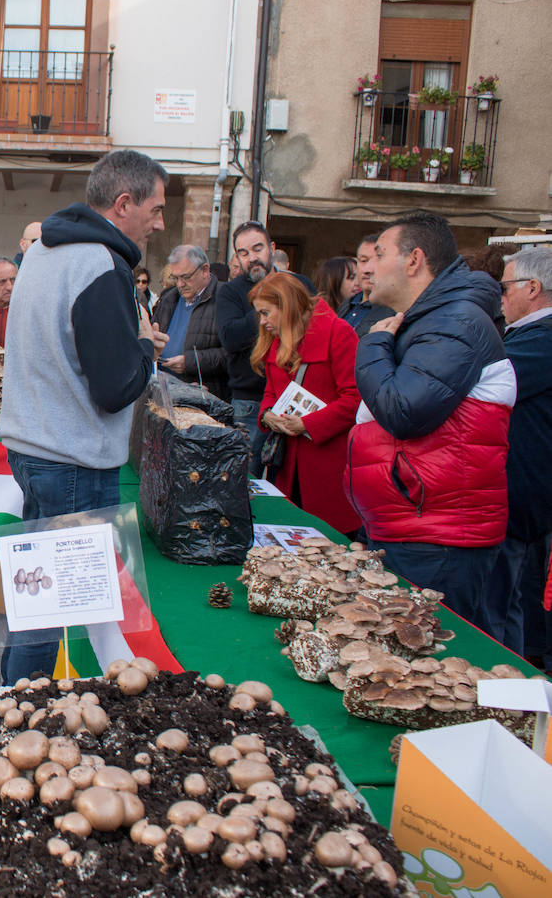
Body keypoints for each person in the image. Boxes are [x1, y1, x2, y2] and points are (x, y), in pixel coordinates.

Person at [0, 149, 169, 685]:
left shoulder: (45, 251)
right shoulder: (99, 263)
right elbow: (116, 387)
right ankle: (14, 711)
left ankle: (17, 705)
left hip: (38, 447)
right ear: (124, 203)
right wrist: (145, 347)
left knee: (44, 599)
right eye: (157, 209)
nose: (160, 223)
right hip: (72, 458)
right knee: (48, 611)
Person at [345, 212, 514, 637]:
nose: (367, 267)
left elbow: (404, 411)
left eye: (379, 254)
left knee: (430, 665)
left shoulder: (453, 322)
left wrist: (373, 346)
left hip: (438, 537)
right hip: (416, 528)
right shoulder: (433, 319)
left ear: (414, 260)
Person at [251, 273, 362, 535]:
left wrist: (306, 424)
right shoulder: (276, 339)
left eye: (266, 313)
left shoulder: (338, 334)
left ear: (286, 306)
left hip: (329, 469)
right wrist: (267, 415)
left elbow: (355, 398)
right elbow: (271, 392)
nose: (262, 322)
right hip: (287, 468)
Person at [487, 247, 552, 657]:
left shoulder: (542, 339)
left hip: (521, 493)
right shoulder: (530, 335)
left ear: (533, 287)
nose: (501, 297)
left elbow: (485, 383)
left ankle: (510, 691)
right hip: (522, 491)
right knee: (508, 601)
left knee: (502, 604)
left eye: (506, 286)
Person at [217, 221, 313, 475]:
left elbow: (315, 335)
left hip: (296, 404)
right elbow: (229, 338)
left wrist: (283, 295)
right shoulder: (230, 292)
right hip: (250, 402)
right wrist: (268, 304)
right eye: (244, 253)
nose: (252, 258)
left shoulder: (300, 285)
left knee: (290, 481)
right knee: (245, 480)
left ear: (271, 248)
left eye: (257, 249)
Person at [151, 244, 229, 402]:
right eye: (176, 277)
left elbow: (232, 354)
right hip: (165, 393)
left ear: (205, 270)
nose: (180, 284)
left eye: (186, 277)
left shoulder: (225, 298)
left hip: (204, 398)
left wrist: (191, 362)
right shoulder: (168, 298)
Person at [343, 234, 394, 337]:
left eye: (378, 260)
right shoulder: (347, 304)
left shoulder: (394, 311)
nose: (368, 270)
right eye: (363, 260)